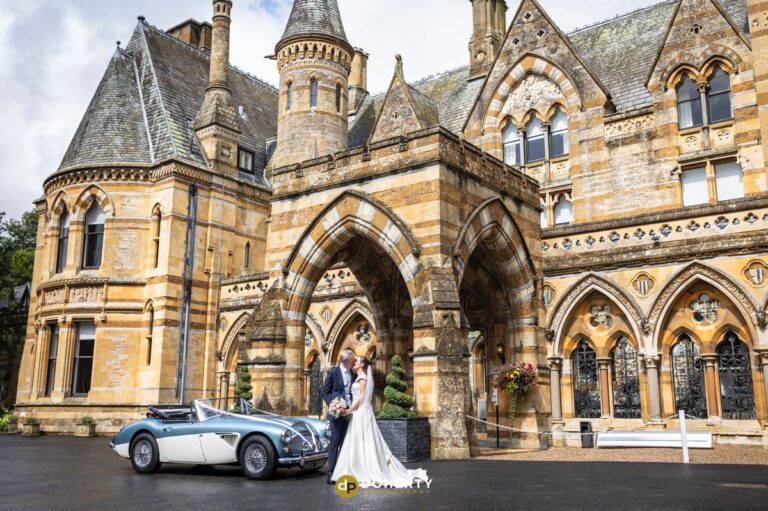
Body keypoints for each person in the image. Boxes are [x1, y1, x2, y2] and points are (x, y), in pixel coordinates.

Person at [331, 356, 428, 488]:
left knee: (362, 440)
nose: (354, 363)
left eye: (357, 361)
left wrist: (349, 410)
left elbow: (361, 397)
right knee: (358, 440)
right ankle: (355, 468)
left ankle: (361, 470)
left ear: (362, 365)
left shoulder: (363, 378)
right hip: (360, 412)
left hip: (361, 412)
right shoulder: (359, 378)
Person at [321, 348, 356, 485]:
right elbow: (325, 392)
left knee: (346, 442)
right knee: (335, 441)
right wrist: (333, 405)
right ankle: (331, 474)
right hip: (336, 413)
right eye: (352, 360)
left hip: (349, 412)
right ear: (345, 361)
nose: (353, 363)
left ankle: (344, 471)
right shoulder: (333, 373)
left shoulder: (352, 373)